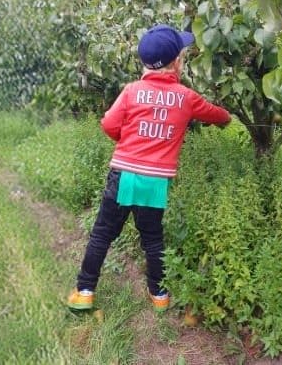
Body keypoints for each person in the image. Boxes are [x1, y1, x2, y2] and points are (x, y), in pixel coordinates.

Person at [66, 24, 232, 313]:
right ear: (178, 62)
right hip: (155, 182)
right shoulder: (187, 97)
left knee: (103, 234)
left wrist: (126, 139)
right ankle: (159, 295)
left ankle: (84, 291)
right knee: (153, 238)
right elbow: (215, 114)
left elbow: (108, 123)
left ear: (144, 63)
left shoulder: (132, 91)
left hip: (124, 175)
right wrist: (226, 118)